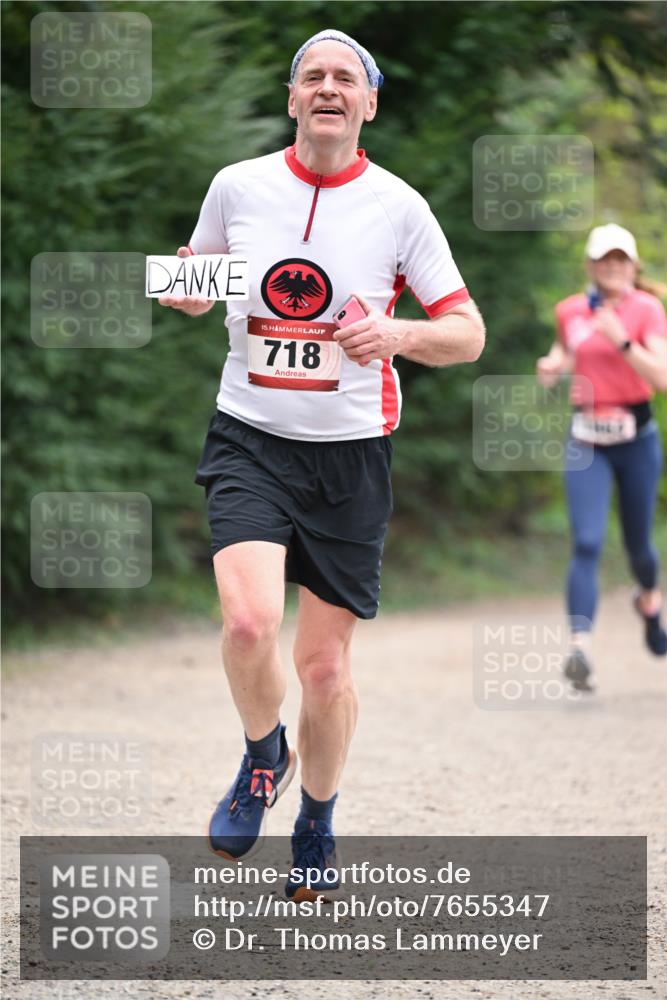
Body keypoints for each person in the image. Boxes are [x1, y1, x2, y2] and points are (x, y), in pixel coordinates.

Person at [159, 28, 485, 900]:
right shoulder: (239, 186)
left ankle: (316, 819)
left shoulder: (398, 207)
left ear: (369, 103)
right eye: (314, 76)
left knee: (326, 669)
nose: (330, 87)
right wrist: (183, 283)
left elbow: (467, 333)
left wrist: (398, 333)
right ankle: (263, 756)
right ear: (294, 97)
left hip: (349, 454)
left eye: (347, 77)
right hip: (250, 437)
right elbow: (199, 280)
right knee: (246, 625)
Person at [536, 223, 667, 691]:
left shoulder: (647, 310)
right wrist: (554, 365)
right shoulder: (571, 309)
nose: (612, 267)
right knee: (587, 541)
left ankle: (649, 599)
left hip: (636, 440)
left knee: (639, 548)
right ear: (590, 265)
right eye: (603, 259)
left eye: (620, 259)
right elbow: (567, 350)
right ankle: (580, 649)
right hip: (586, 438)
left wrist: (621, 339)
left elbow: (662, 376)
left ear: (633, 265)